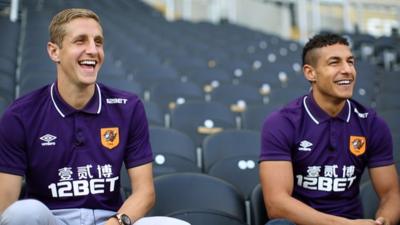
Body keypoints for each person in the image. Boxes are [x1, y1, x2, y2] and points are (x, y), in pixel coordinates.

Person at [0, 8, 155, 225]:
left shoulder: (128, 107)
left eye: (98, 42)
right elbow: (5, 206)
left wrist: (116, 223)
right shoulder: (21, 114)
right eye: (80, 41)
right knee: (22, 213)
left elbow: (145, 192)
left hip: (111, 220)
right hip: (52, 220)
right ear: (54, 52)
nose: (93, 50)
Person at [259, 33, 400, 225]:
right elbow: (276, 204)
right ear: (310, 73)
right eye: (335, 63)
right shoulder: (281, 122)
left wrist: (383, 222)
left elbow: (391, 194)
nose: (347, 70)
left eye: (350, 62)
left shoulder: (372, 123)